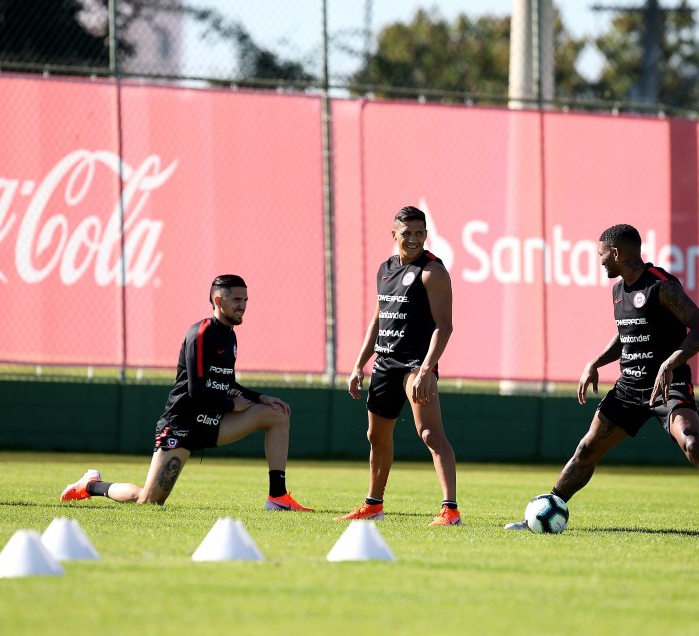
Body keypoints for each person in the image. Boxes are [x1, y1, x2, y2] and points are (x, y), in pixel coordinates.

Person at [505, 224, 699, 540]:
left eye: (601, 256)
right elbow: (626, 334)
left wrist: (669, 363)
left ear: (616, 253)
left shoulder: (661, 286)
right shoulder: (618, 290)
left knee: (692, 443)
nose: (599, 263)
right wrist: (596, 361)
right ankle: (544, 511)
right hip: (628, 389)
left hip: (668, 386)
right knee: (586, 451)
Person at [61, 274, 312, 511]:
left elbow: (227, 383)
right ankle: (92, 484)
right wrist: (231, 405)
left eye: (245, 300)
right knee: (148, 501)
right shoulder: (201, 333)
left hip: (214, 422)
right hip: (182, 427)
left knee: (276, 413)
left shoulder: (230, 337)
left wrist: (260, 398)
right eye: (237, 299)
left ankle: (277, 497)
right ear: (218, 300)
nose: (243, 306)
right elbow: (197, 391)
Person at [336, 206, 461, 526]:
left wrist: (425, 370)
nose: (414, 239)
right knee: (375, 437)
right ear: (394, 235)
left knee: (431, 434)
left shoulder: (432, 271)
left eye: (420, 233)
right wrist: (357, 365)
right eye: (407, 234)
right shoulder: (385, 269)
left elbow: (444, 327)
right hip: (385, 363)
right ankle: (373, 505)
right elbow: (378, 320)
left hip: (415, 365)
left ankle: (450, 511)